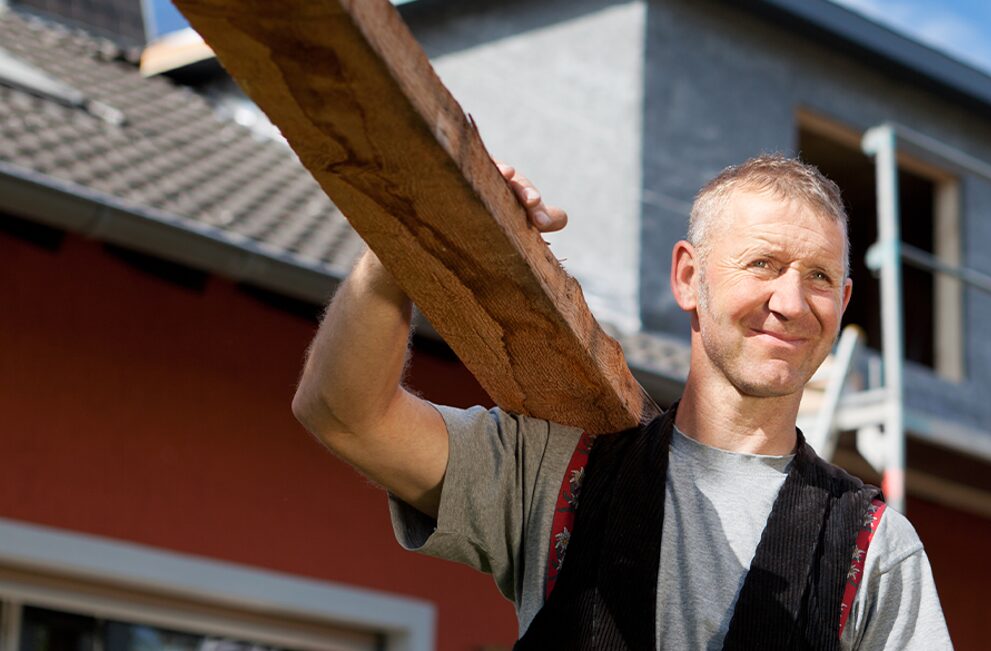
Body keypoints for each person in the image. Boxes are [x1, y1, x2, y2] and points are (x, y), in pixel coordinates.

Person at [291, 154, 953, 650]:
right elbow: (344, 411)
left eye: (818, 277)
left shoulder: (874, 549)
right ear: (690, 277)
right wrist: (406, 236)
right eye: (763, 264)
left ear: (840, 304)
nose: (790, 301)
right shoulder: (561, 474)